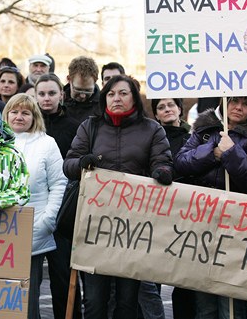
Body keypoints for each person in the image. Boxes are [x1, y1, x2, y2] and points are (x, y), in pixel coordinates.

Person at [63, 75, 173, 319]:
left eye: (123, 93)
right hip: (94, 228)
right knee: (94, 301)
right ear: (105, 98)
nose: (117, 98)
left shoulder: (152, 129)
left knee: (127, 302)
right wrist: (82, 163)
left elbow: (163, 161)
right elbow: (68, 164)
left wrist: (162, 172)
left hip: (133, 229)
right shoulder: (90, 127)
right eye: (111, 94)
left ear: (134, 96)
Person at [175, 96, 247, 319]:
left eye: (245, 104)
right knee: (205, 305)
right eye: (234, 101)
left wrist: (231, 153)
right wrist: (211, 151)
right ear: (224, 104)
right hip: (202, 226)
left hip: (236, 229)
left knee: (232, 307)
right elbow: (181, 162)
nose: (238, 107)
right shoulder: (205, 130)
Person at [3, 93, 68, 319]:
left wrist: (47, 221)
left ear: (34, 117)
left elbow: (59, 183)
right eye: (14, 111)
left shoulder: (46, 144)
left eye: (25, 112)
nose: (19, 117)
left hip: (33, 232)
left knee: (26, 300)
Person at [34, 74, 82, 319]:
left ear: (61, 95)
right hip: (32, 208)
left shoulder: (74, 126)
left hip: (63, 210)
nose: (46, 98)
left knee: (62, 276)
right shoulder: (27, 126)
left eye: (51, 93)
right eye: (41, 94)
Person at [152, 97, 195, 319]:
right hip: (155, 216)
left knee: (185, 281)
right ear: (156, 115)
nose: (167, 109)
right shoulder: (150, 139)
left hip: (185, 218)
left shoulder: (193, 139)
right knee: (150, 281)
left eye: (171, 105)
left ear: (180, 109)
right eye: (161, 107)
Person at [63, 56, 101, 123]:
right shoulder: (58, 103)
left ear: (95, 81)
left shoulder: (103, 106)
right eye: (78, 89)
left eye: (88, 91)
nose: (82, 95)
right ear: (69, 79)